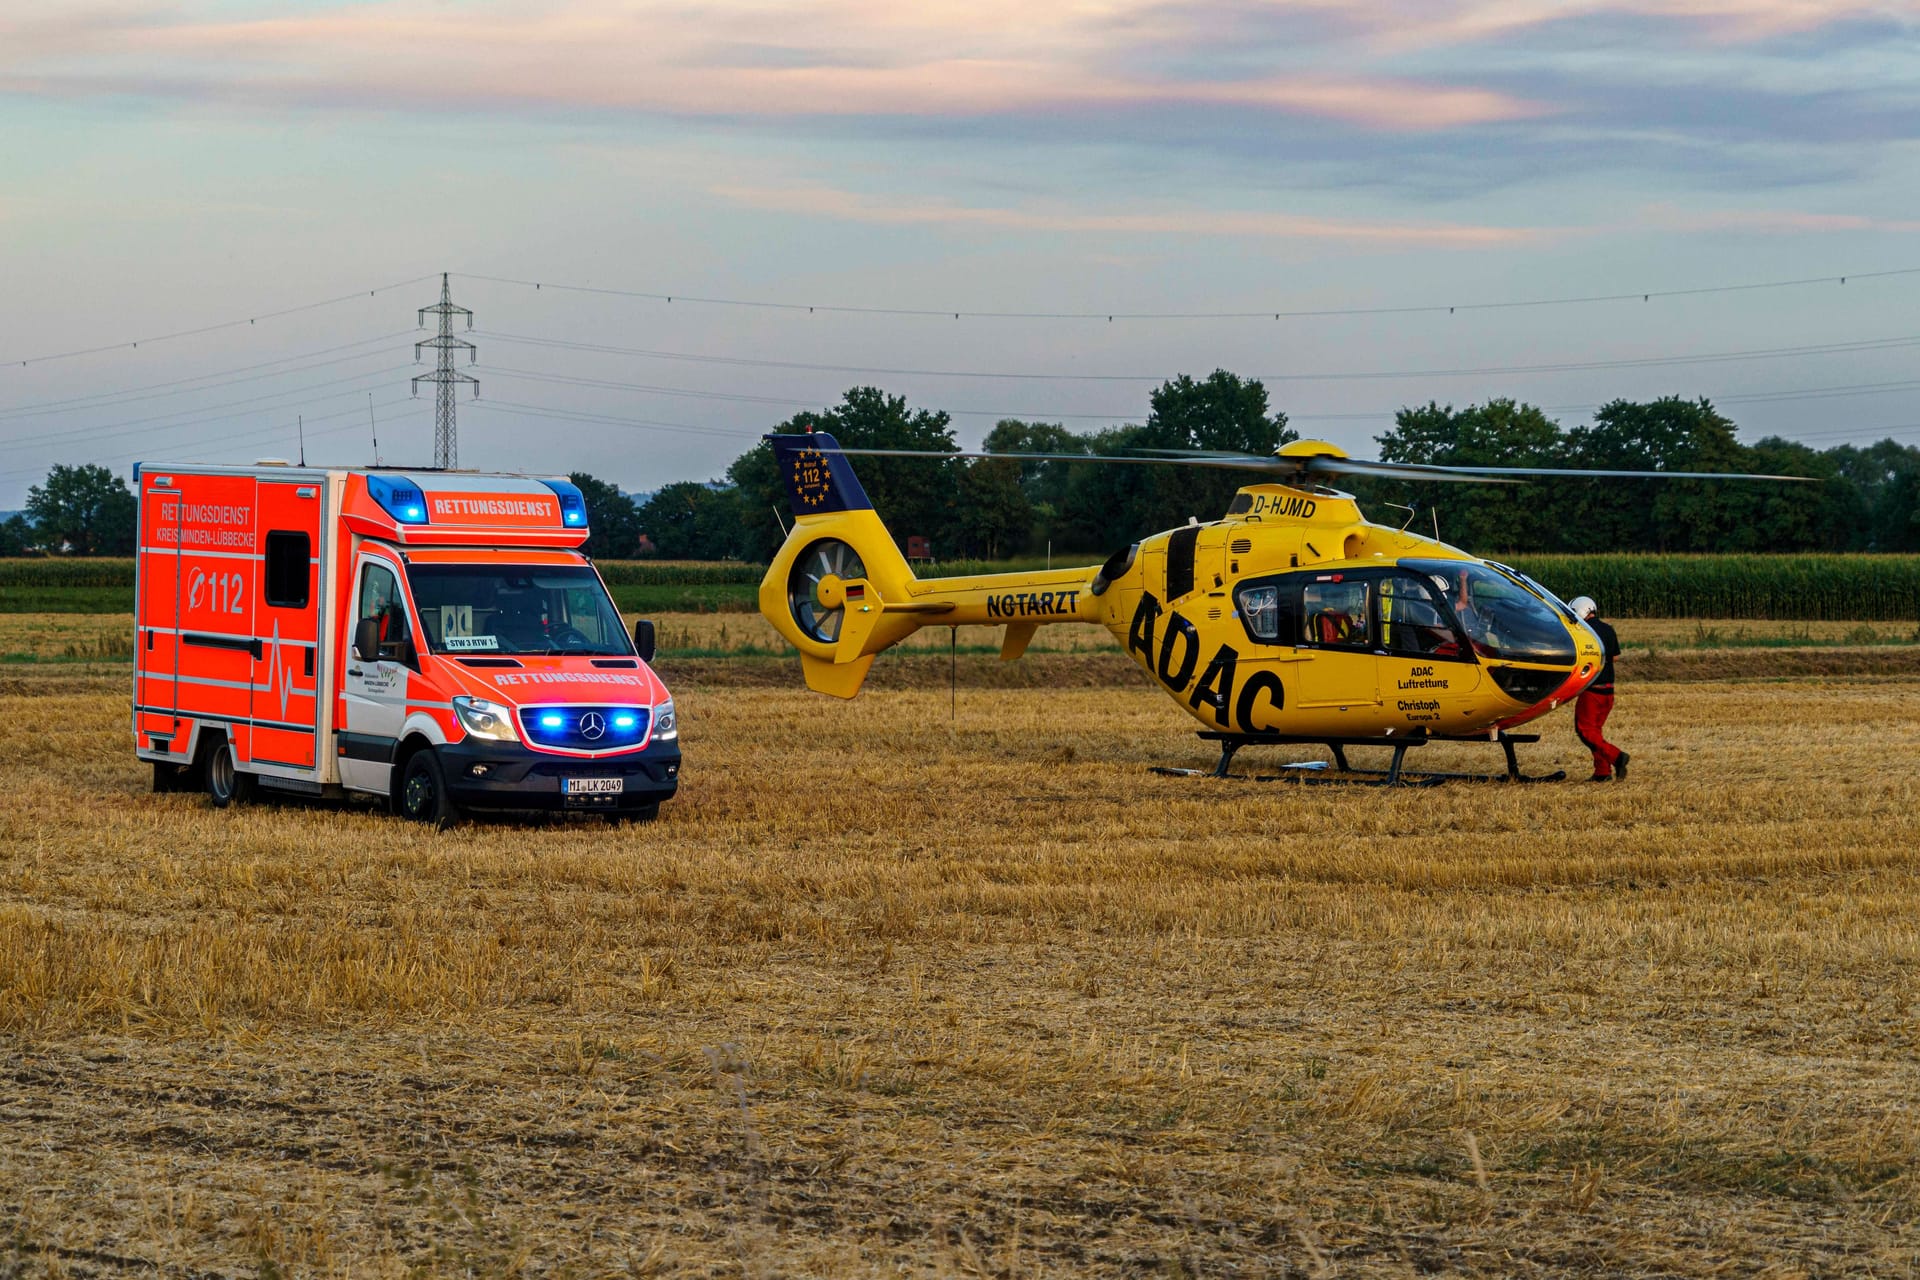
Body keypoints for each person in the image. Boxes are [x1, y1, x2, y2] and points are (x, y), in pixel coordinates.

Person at [1568, 595, 1628, 782]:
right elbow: (1615, 657)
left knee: (1585, 731)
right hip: (1608, 690)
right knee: (1595, 732)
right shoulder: (1609, 629)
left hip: (1592, 690)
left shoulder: (1583, 631)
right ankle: (1602, 772)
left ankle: (1617, 756)